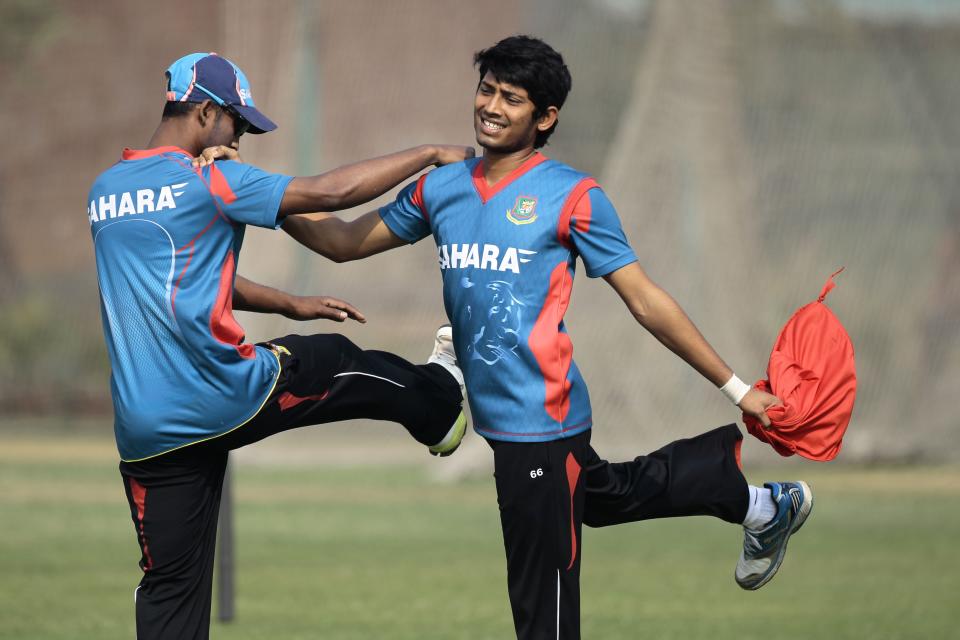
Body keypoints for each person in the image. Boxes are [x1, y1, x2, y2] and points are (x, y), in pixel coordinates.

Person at [260, 35, 817, 639]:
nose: (491, 107)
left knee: (540, 611)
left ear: (545, 117)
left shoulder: (575, 196)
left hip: (540, 424)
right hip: (508, 426)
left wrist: (738, 390)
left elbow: (647, 302)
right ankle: (762, 506)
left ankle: (756, 504)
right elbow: (343, 243)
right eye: (487, 90)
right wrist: (253, 196)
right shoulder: (441, 188)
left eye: (512, 98)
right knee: (600, 496)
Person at [88, 52, 474, 640]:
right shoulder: (210, 177)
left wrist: (291, 304)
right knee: (339, 361)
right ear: (207, 113)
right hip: (224, 397)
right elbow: (333, 193)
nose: (240, 136)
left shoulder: (105, 191)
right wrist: (429, 154)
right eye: (237, 124)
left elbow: (182, 278)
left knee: (171, 592)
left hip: (146, 433)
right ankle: (442, 406)